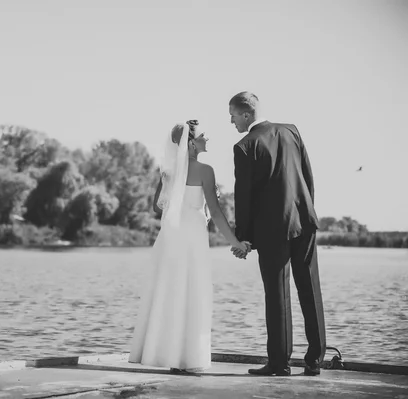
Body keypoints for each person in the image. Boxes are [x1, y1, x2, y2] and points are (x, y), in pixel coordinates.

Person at [128, 120, 251, 373]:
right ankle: (186, 357)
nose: (208, 138)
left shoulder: (170, 171)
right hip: (193, 237)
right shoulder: (205, 170)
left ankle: (157, 353)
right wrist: (236, 242)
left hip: (170, 238)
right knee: (192, 290)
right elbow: (216, 214)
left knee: (167, 290)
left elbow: (157, 207)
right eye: (204, 135)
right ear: (192, 142)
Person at [229, 91, 326, 376]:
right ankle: (315, 360)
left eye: (233, 115)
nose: (231, 121)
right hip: (304, 221)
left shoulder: (245, 145)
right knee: (310, 290)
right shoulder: (291, 131)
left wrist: (243, 237)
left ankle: (279, 363)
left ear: (247, 114)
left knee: (277, 295)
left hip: (272, 230)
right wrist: (307, 211)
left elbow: (243, 197)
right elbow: (308, 176)